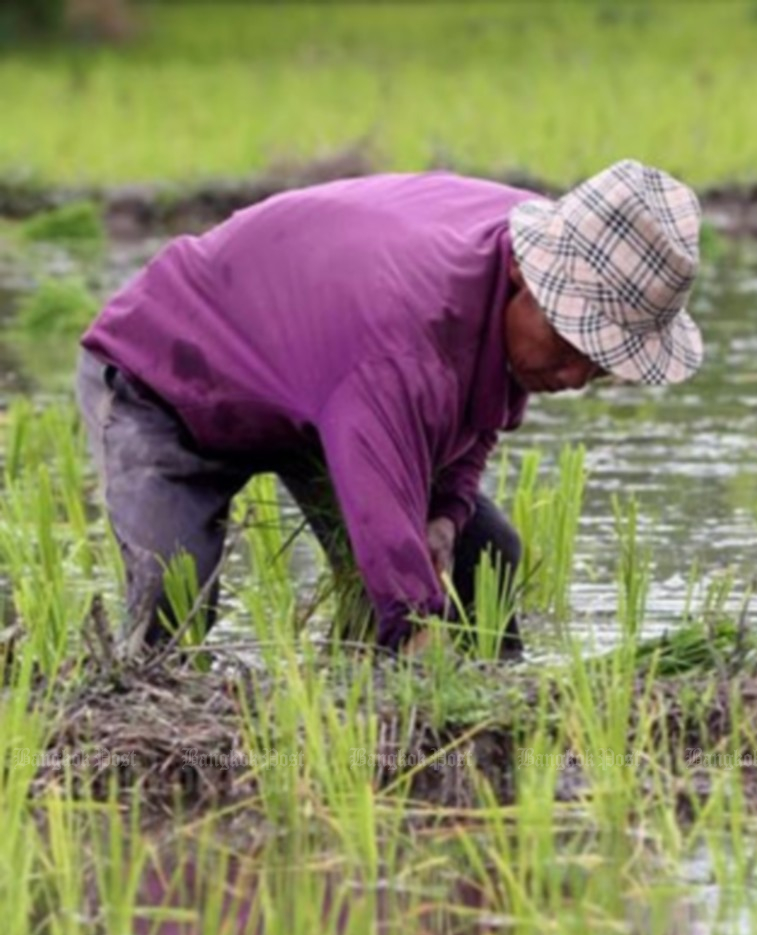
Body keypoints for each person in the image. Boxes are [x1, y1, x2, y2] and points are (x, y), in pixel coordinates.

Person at [75, 159, 704, 659]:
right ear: (520, 272)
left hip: (318, 382)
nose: (573, 376)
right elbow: (390, 547)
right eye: (571, 343)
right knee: (175, 594)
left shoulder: (510, 266)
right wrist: (423, 650)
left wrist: (449, 517)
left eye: (599, 364)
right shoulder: (403, 341)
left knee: (485, 557)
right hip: (169, 374)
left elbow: (475, 412)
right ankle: (155, 721)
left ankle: (377, 703)